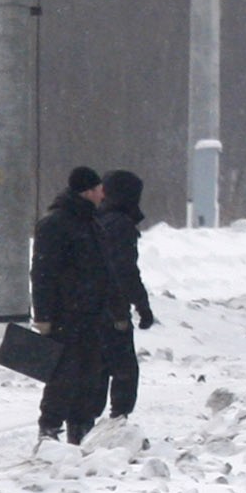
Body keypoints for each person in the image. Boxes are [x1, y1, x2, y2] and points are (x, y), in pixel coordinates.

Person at [29, 166, 114, 444]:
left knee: (90, 375)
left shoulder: (91, 222)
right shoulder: (55, 224)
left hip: (93, 313)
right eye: (100, 188)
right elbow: (42, 273)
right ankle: (50, 428)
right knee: (64, 374)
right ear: (88, 191)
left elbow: (102, 269)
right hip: (65, 313)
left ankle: (81, 428)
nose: (103, 194)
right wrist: (43, 315)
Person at [96, 170, 156, 419]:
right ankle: (118, 422)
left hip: (87, 305)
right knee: (124, 371)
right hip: (113, 309)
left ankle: (82, 425)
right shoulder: (120, 225)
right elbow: (126, 271)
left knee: (96, 368)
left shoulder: (95, 220)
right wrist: (142, 305)